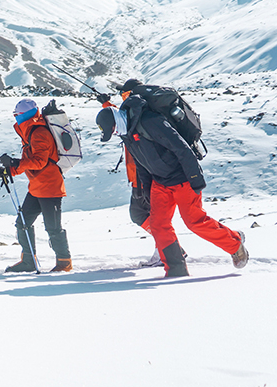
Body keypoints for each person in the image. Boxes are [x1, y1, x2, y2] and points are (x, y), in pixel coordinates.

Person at [96, 96, 249, 277]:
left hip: (182, 178)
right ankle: (176, 270)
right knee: (158, 225)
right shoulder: (127, 134)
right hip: (160, 182)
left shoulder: (149, 121)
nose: (115, 133)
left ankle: (234, 244)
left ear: (116, 120)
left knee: (194, 221)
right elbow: (141, 165)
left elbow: (180, 147)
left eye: (113, 130)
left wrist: (195, 176)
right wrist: (146, 190)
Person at [0, 98, 72, 273]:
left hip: (50, 187)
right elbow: (29, 161)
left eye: (17, 114)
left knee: (53, 228)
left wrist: (14, 163)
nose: (16, 118)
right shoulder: (29, 131)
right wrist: (10, 170)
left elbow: (39, 162)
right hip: (37, 187)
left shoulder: (39, 132)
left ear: (25, 115)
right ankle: (29, 261)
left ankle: (64, 262)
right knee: (23, 223)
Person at [95, 82, 161, 267]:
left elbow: (123, 118)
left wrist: (107, 105)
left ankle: (168, 248)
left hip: (142, 173)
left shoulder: (137, 111)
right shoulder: (140, 109)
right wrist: (106, 104)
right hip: (143, 172)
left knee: (141, 213)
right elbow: (120, 117)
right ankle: (167, 247)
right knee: (146, 213)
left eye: (123, 93)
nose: (122, 97)